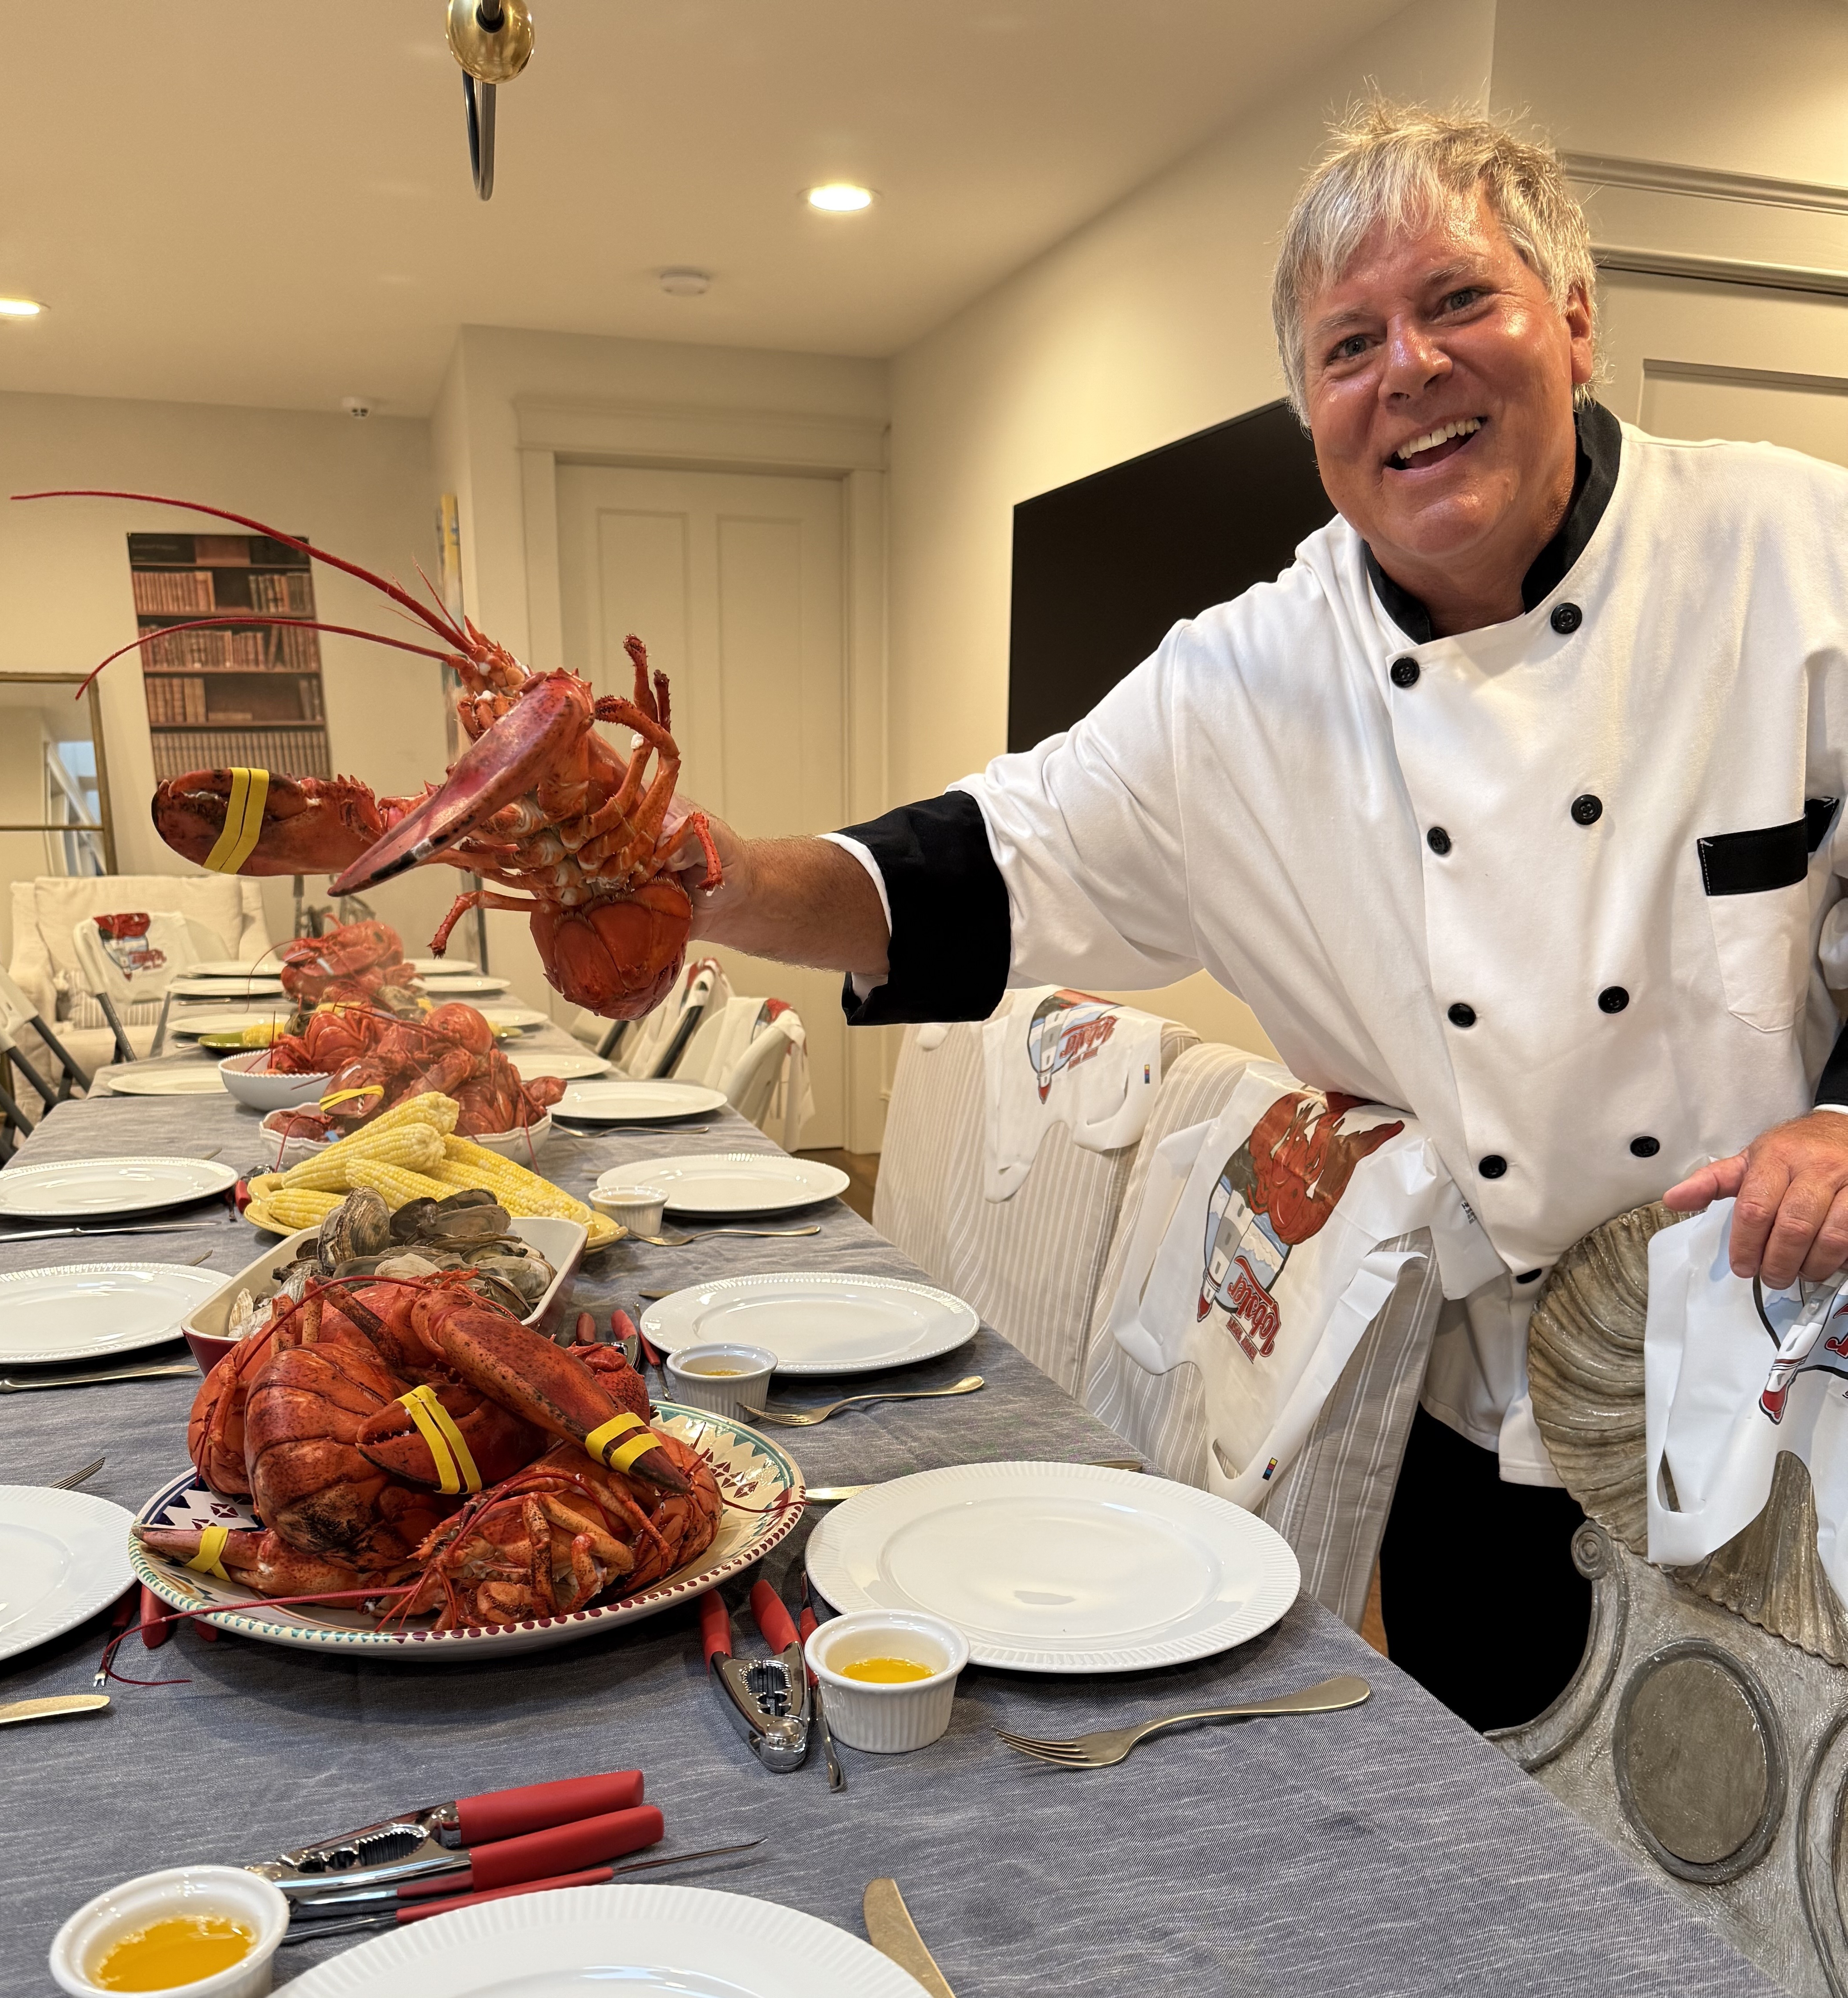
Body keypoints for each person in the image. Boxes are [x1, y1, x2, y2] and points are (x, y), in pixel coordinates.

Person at [681, 102, 1848, 1730]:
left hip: (1795, 1373)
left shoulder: (1795, 549)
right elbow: (967, 868)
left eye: (1457, 302)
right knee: (1490, 1819)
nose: (1408, 370)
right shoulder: (1243, 678)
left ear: (1573, 318)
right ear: (1309, 406)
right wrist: (717, 880)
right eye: (1347, 342)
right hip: (1479, 1416)